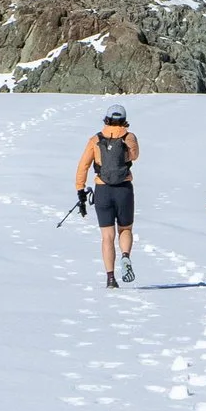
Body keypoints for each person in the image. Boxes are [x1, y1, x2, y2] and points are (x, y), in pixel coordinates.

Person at [76, 106, 141, 288]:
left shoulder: (95, 140)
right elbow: (134, 156)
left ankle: (110, 278)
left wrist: (80, 190)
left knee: (107, 236)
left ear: (106, 119)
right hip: (124, 189)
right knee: (125, 229)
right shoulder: (129, 137)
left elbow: (83, 166)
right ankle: (126, 256)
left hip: (103, 190)